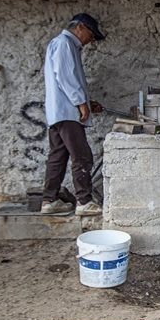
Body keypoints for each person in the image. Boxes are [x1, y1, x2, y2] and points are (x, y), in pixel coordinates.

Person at [41, 13, 105, 216]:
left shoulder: (64, 45)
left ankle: (49, 200)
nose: (91, 40)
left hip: (60, 111)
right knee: (82, 155)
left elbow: (66, 79)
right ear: (80, 27)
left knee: (58, 156)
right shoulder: (64, 44)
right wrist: (80, 103)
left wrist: (86, 102)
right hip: (68, 112)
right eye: (91, 34)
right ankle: (84, 201)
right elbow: (66, 77)